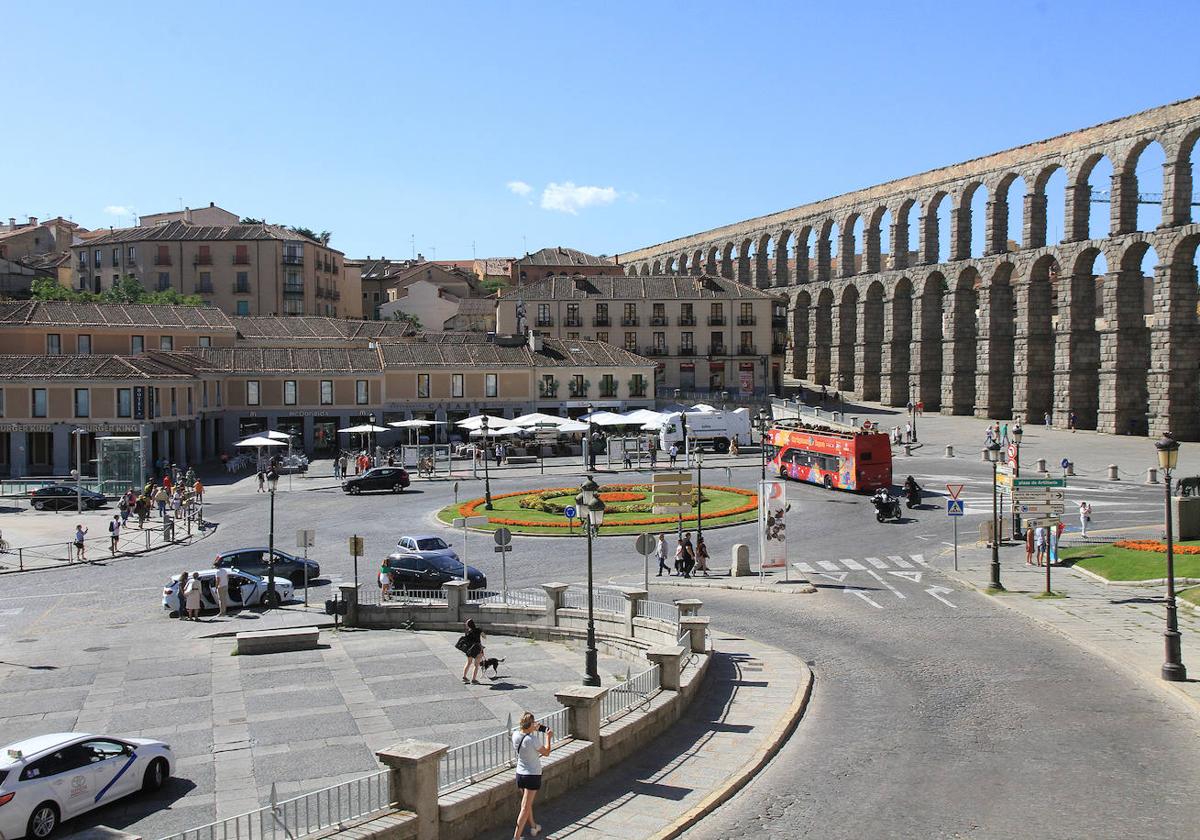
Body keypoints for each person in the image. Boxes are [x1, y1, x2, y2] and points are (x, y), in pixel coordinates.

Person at [511, 711, 552, 840]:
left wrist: (532, 728)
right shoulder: (532, 740)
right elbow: (546, 752)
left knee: (527, 804)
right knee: (525, 807)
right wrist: (548, 737)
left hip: (520, 774)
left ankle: (534, 826)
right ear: (530, 724)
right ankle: (516, 837)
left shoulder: (515, 735)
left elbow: (524, 735)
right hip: (532, 776)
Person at [461, 618, 484, 684]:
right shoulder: (478, 630)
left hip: (470, 649)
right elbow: (484, 636)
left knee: (468, 663)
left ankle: (464, 677)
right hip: (478, 649)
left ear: (468, 625)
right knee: (476, 665)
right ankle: (474, 680)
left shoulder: (467, 632)